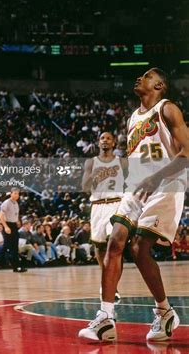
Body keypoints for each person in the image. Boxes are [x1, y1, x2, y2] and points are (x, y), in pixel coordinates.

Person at [79, 68, 188, 342]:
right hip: (137, 187)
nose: (140, 78)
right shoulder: (132, 118)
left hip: (166, 185)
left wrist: (155, 178)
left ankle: (164, 311)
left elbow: (186, 152)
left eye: (147, 76)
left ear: (160, 85)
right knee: (115, 241)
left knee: (139, 249)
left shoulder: (168, 109)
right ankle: (105, 319)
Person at [82, 132, 126, 300]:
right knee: (100, 248)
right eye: (102, 138)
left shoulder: (122, 162)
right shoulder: (90, 162)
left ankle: (112, 286)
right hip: (98, 206)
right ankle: (106, 281)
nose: (105, 140)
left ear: (114, 142)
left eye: (108, 138)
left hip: (116, 204)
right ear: (98, 143)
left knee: (114, 244)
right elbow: (85, 187)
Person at [0, 189, 25, 272]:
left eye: (18, 194)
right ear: (11, 194)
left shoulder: (16, 203)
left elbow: (15, 214)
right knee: (5, 247)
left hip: (14, 226)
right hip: (7, 225)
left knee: (15, 248)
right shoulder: (6, 203)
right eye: (15, 193)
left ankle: (16, 267)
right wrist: (5, 227)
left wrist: (18, 221)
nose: (17, 195)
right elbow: (1, 216)